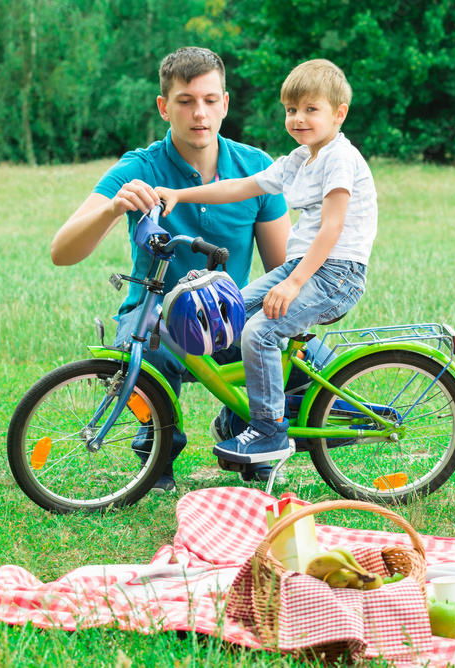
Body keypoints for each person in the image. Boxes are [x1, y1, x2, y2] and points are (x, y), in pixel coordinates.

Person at [49, 47, 292, 492]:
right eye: (185, 101)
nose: (199, 113)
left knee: (300, 361)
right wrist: (112, 209)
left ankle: (244, 426)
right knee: (150, 356)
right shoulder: (139, 168)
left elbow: (281, 267)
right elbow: (62, 251)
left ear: (225, 103)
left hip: (229, 312)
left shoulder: (258, 169)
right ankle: (157, 446)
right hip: (154, 315)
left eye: (209, 99)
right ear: (164, 107)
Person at [158, 59, 377, 464]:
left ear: (338, 113)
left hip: (336, 274)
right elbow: (241, 187)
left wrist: (293, 284)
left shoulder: (339, 158)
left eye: (311, 109)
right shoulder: (301, 158)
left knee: (259, 332)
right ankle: (256, 408)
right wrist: (179, 194)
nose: (298, 119)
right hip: (307, 266)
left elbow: (332, 229)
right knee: (229, 310)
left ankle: (269, 431)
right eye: (292, 110)